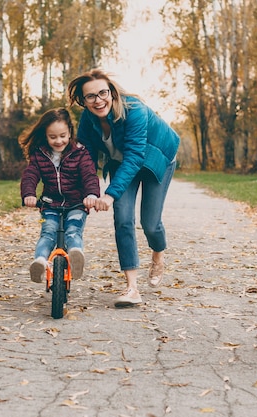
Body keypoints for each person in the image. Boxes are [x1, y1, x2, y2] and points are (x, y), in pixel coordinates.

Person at [67, 69, 180, 308]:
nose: (98, 100)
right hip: (121, 162)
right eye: (91, 97)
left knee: (150, 223)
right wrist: (89, 190)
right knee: (123, 219)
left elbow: (135, 157)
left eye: (103, 93)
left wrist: (109, 194)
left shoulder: (134, 110)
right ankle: (132, 288)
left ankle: (158, 254)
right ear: (83, 101)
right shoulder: (88, 120)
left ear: (112, 92)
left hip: (155, 158)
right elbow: (85, 157)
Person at [19, 108, 100, 283]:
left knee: (73, 231)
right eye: (53, 137)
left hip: (77, 203)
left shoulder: (80, 152)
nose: (58, 141)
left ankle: (76, 256)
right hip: (49, 203)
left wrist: (91, 194)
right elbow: (30, 175)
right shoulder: (40, 154)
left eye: (63, 135)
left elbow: (89, 175)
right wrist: (29, 194)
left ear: (70, 131)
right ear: (46, 135)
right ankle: (40, 262)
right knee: (48, 232)